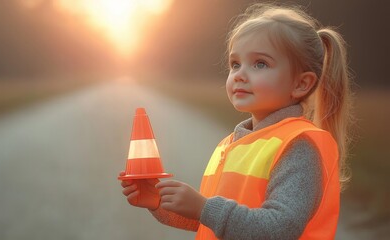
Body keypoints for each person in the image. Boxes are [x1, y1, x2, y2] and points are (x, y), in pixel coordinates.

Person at [120, 3, 352, 239]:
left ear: (300, 84)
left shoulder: (298, 146)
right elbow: (212, 222)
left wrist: (204, 207)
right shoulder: (232, 144)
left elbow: (278, 228)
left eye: (260, 64)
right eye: (235, 64)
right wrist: (158, 202)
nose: (240, 75)